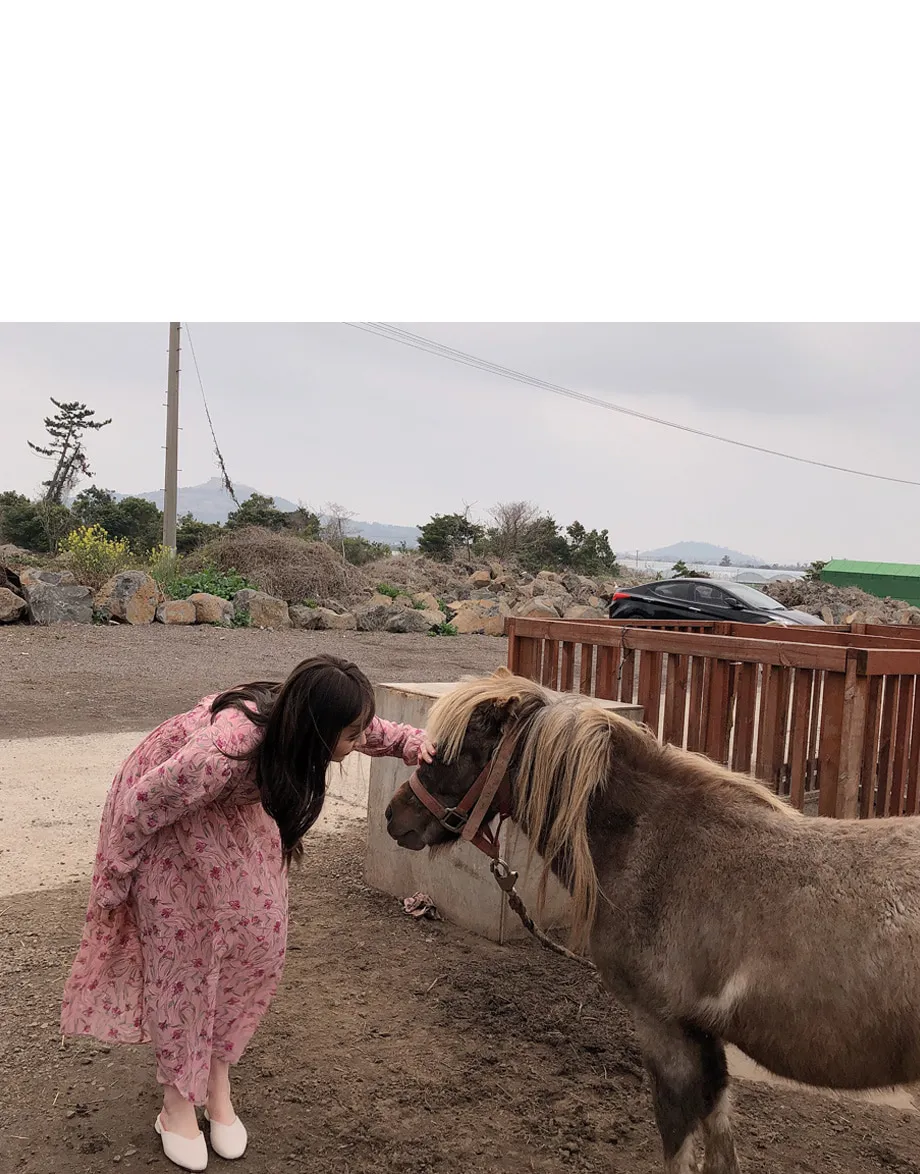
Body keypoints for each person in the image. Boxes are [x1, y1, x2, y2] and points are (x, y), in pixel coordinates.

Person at [61, 654, 434, 1171]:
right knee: (186, 957)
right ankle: (175, 1104)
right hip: (170, 819)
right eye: (346, 738)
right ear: (315, 732)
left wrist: (413, 744)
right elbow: (140, 806)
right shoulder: (223, 752)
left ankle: (216, 1075)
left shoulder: (307, 726)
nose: (353, 748)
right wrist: (114, 880)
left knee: (259, 941)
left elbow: (371, 729)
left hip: (233, 813)